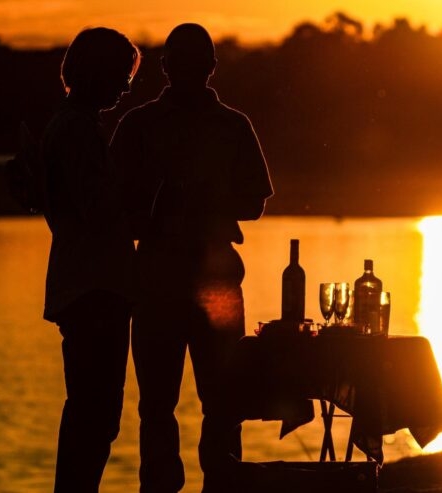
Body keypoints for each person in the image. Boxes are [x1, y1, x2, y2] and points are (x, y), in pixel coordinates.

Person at [110, 23, 273, 493]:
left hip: (208, 280)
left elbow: (255, 203)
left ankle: (221, 484)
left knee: (221, 400)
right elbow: (118, 205)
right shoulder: (142, 125)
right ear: (168, 67)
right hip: (163, 278)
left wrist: (204, 200)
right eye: (183, 63)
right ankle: (170, 486)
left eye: (193, 63)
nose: (188, 72)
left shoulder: (229, 124)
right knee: (162, 404)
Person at [41, 27, 140, 492]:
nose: (126, 86)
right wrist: (150, 205)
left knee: (93, 411)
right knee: (95, 413)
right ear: (95, 72)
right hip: (94, 288)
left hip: (88, 284)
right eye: (121, 75)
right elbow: (96, 210)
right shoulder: (76, 129)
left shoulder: (73, 125)